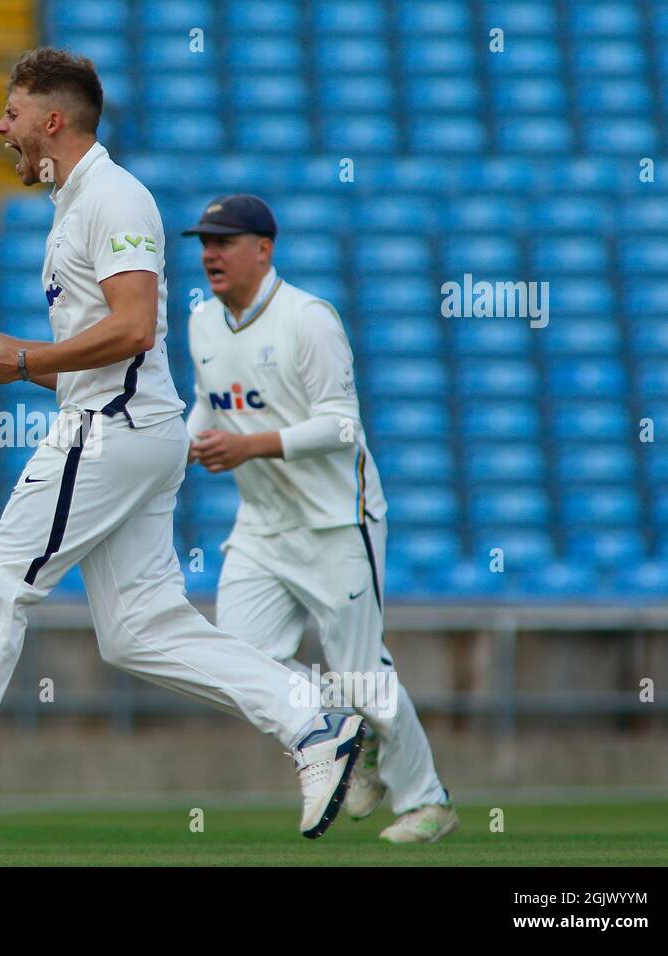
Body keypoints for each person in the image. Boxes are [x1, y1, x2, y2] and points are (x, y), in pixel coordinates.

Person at [0, 50, 364, 848]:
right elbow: (99, 357)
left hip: (112, 432)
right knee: (138, 629)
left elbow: (131, 328)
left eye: (10, 114)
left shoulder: (113, 198)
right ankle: (312, 719)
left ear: (52, 121)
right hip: (129, 426)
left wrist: (16, 357)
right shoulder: (78, 201)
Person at [181, 194, 458, 843]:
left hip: (338, 520)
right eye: (204, 242)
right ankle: (340, 726)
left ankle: (427, 802)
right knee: (237, 660)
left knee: (361, 671)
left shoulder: (308, 319)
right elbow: (207, 401)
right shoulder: (202, 322)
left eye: (224, 241)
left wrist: (250, 445)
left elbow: (341, 425)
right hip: (261, 524)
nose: (211, 254)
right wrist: (181, 446)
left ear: (264, 249)